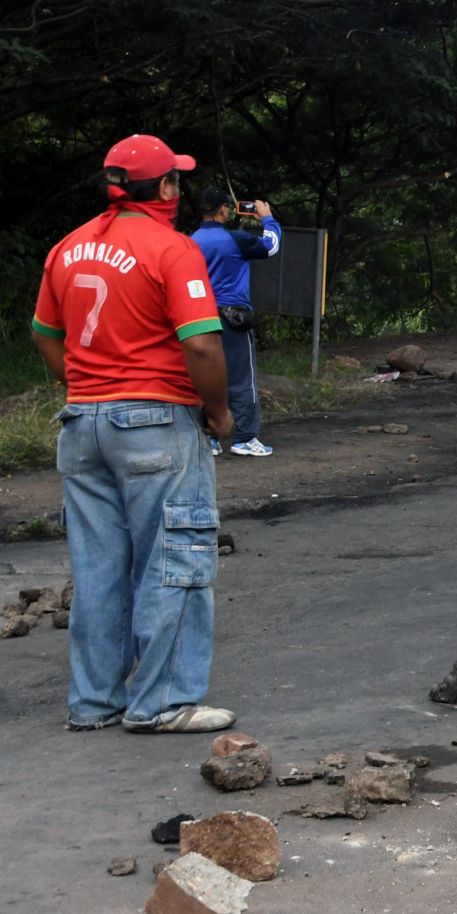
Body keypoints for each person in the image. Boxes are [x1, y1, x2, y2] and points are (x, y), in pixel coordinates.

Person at [32, 134, 236, 733]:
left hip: (83, 424)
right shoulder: (171, 249)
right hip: (155, 422)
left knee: (98, 567)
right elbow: (200, 342)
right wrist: (220, 413)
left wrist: (88, 386)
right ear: (165, 189)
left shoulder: (67, 248)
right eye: (175, 179)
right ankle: (163, 701)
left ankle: (93, 703)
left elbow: (45, 332)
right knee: (174, 556)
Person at [191, 186, 282, 459]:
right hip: (233, 317)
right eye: (227, 208)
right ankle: (245, 437)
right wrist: (267, 218)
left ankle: (210, 439)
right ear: (222, 210)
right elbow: (271, 246)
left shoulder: (190, 241)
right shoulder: (236, 239)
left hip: (200, 318)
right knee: (242, 377)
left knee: (205, 377)